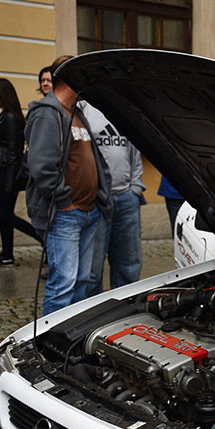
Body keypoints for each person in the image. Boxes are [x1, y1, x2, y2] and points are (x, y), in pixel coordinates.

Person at [24, 55, 110, 315]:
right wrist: (64, 201)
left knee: (83, 281)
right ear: (71, 78)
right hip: (66, 214)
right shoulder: (47, 114)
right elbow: (42, 167)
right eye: (85, 77)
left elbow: (92, 159)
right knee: (63, 284)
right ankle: (51, 338)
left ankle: (73, 333)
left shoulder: (77, 112)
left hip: (89, 212)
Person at [80, 100, 145, 295]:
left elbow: (135, 149)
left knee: (129, 262)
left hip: (127, 198)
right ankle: (93, 307)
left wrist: (135, 187)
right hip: (97, 200)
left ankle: (126, 303)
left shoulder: (122, 109)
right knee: (92, 268)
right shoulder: (84, 109)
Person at [0, 78, 41, 267]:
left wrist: (10, 182)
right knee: (4, 214)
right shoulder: (6, 115)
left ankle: (43, 238)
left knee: (5, 214)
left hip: (7, 172)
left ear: (2, 94)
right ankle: (6, 253)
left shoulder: (9, 117)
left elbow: (13, 151)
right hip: (3, 170)